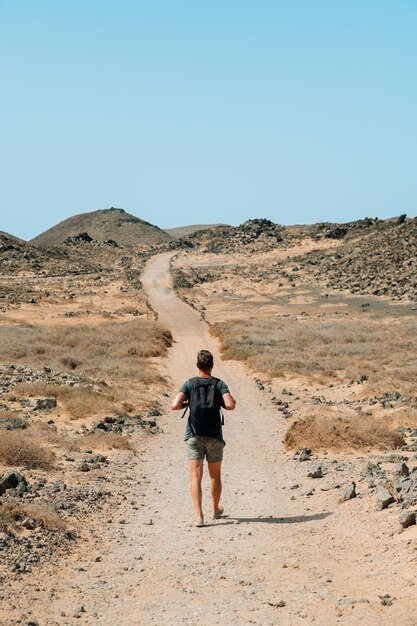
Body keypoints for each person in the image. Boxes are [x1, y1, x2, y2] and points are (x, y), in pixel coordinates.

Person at [171, 349, 236, 527]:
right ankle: (215, 510)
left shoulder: (190, 383)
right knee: (215, 476)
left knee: (195, 476)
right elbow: (230, 405)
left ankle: (199, 516)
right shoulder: (219, 383)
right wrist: (220, 401)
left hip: (194, 434)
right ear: (212, 366)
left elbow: (174, 405)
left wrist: (188, 402)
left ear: (197, 365)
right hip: (214, 435)